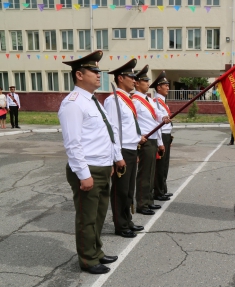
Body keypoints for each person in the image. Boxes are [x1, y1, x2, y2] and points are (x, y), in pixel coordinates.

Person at [58, 50, 125, 274]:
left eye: (99, 70)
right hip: (88, 170)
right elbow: (73, 143)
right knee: (87, 218)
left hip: (102, 167)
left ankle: (96, 251)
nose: (99, 74)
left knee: (98, 215)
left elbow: (107, 133)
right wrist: (83, 174)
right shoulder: (73, 103)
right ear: (79, 74)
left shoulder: (93, 101)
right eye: (94, 71)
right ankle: (87, 259)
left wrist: (114, 159)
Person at [104, 59, 146, 238]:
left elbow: (127, 128)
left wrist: (136, 143)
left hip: (130, 149)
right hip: (121, 151)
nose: (135, 81)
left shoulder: (126, 99)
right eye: (131, 77)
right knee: (120, 190)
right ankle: (120, 225)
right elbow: (113, 131)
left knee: (129, 190)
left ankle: (127, 220)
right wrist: (117, 156)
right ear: (120, 78)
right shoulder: (113, 100)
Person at [132, 65, 170, 215]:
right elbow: (132, 122)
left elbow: (157, 115)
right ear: (137, 83)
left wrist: (164, 118)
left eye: (148, 81)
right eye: (144, 81)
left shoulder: (148, 99)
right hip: (145, 140)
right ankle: (142, 203)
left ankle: (148, 200)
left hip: (153, 139)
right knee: (144, 174)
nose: (148, 84)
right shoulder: (135, 100)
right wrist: (136, 139)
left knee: (151, 172)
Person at [151, 71, 174, 201]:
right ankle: (158, 191)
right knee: (160, 166)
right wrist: (161, 141)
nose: (168, 88)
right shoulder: (156, 102)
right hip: (161, 135)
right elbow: (156, 123)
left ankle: (162, 189)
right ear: (159, 87)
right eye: (166, 85)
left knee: (164, 165)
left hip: (166, 135)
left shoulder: (162, 101)